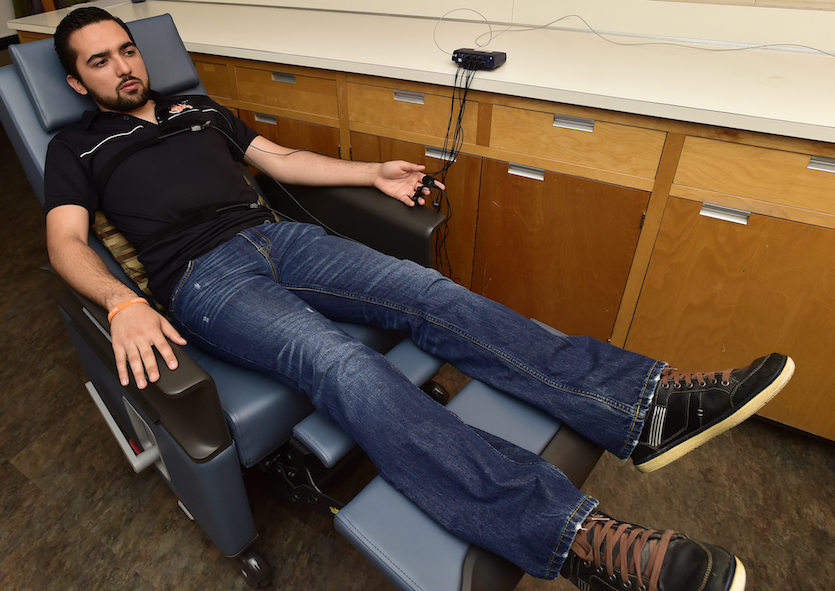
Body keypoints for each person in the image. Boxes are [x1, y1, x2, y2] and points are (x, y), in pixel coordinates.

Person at [43, 7, 793, 591]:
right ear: (79, 82)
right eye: (101, 61)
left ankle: (644, 407)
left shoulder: (198, 109)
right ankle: (577, 538)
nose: (124, 67)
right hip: (206, 280)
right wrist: (121, 301)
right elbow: (67, 242)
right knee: (334, 361)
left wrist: (371, 173)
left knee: (426, 290)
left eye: (128, 50)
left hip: (280, 239)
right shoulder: (76, 147)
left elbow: (281, 161)